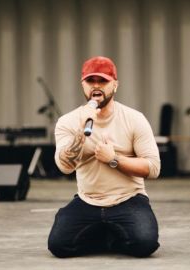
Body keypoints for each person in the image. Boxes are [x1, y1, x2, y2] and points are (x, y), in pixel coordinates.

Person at [47, 56, 161, 258]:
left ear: (115, 85)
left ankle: (105, 233)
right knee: (59, 246)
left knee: (145, 244)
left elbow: (153, 168)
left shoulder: (134, 119)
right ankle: (109, 234)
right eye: (90, 81)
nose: (96, 86)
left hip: (128, 199)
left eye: (103, 81)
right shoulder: (68, 122)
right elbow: (64, 167)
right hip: (88, 200)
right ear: (83, 85)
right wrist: (80, 134)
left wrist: (113, 159)